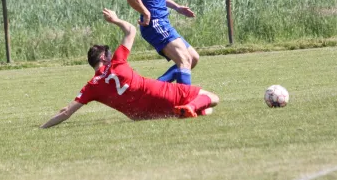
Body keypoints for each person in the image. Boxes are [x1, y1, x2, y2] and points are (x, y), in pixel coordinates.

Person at [40, 9, 219, 129]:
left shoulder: (91, 87)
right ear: (104, 57)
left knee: (206, 112)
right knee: (212, 98)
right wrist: (116, 20)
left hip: (142, 115)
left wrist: (42, 127)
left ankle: (188, 110)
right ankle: (188, 106)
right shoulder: (116, 62)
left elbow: (66, 112)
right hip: (157, 93)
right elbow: (131, 30)